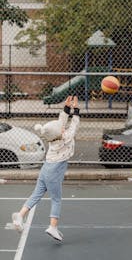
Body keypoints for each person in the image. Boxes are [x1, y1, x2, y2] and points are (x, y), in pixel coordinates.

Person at [11, 95, 80, 242]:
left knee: (37, 193)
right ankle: (52, 227)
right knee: (56, 199)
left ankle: (20, 215)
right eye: (61, 128)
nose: (63, 127)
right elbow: (74, 124)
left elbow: (61, 123)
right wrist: (76, 109)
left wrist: (67, 108)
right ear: (61, 132)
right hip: (54, 172)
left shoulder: (52, 137)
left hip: (46, 169)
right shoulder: (66, 137)